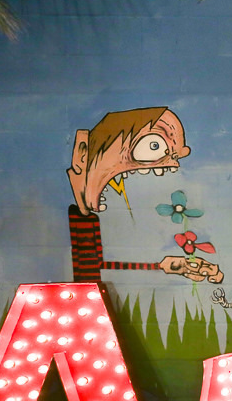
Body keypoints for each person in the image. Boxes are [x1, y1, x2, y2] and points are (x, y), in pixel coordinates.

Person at [67, 107, 223, 283]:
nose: (169, 159)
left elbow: (98, 265)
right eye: (153, 145)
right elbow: (94, 266)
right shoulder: (80, 222)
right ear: (82, 152)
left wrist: (169, 266)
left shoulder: (86, 220)